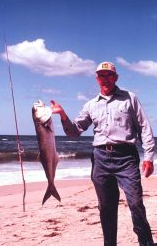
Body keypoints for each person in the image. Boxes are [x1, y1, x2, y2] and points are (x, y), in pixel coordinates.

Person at [51, 61, 155, 246]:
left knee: (136, 204)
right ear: (96, 79)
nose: (105, 79)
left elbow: (144, 127)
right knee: (106, 208)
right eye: (101, 76)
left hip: (126, 158)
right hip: (100, 159)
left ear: (116, 78)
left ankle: (146, 243)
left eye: (109, 75)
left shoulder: (130, 98)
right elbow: (74, 132)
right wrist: (63, 115)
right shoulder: (91, 105)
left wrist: (149, 156)